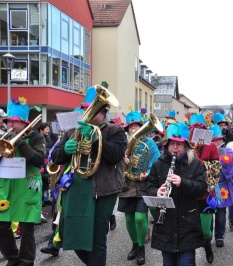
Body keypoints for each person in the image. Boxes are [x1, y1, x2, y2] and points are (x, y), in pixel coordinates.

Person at [51, 85, 127, 266]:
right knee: (75, 236)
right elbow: (55, 157)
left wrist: (95, 138)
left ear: (103, 113)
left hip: (104, 190)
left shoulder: (115, 131)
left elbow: (116, 155)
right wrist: (65, 151)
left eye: (92, 111)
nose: (87, 114)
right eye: (86, 110)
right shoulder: (71, 131)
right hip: (76, 189)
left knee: (97, 239)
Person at [147, 122, 207, 266]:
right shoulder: (158, 164)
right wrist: (157, 192)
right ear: (166, 145)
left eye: (179, 144)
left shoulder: (196, 164)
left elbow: (202, 188)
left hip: (188, 223)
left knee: (186, 263)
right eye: (172, 143)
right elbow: (149, 187)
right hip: (165, 224)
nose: (175, 147)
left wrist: (183, 182)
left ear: (186, 145)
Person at [0, 97, 46, 266]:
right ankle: (12, 257)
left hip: (27, 185)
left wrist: (19, 142)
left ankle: (26, 260)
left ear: (25, 123)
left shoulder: (36, 138)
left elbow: (38, 160)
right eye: (8, 122)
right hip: (7, 185)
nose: (10, 126)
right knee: (1, 225)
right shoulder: (3, 137)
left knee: (27, 228)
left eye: (15, 122)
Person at [118, 110, 160, 265]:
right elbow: (115, 161)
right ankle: (135, 245)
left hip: (143, 184)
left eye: (136, 126)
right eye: (131, 127)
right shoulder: (123, 143)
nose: (133, 129)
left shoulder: (150, 143)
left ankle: (141, 247)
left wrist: (147, 173)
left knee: (140, 218)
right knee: (129, 218)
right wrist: (123, 159)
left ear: (141, 127)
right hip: (127, 184)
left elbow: (156, 162)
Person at [188, 114, 220, 263]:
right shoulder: (186, 146)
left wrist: (197, 162)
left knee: (206, 231)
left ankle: (207, 245)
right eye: (194, 131)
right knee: (190, 231)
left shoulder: (212, 146)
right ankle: (191, 257)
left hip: (206, 194)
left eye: (200, 131)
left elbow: (215, 170)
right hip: (189, 195)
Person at [213, 113, 233, 231]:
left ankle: (232, 219)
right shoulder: (212, 139)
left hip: (232, 172)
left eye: (223, 125)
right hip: (217, 177)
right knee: (218, 202)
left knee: (232, 196)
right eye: (220, 125)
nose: (222, 127)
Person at [209, 125, 233, 248]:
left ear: (223, 140)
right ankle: (208, 234)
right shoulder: (205, 150)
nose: (217, 142)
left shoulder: (228, 151)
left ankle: (219, 236)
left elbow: (227, 161)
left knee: (220, 213)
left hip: (220, 187)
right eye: (214, 140)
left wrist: (214, 158)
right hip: (208, 186)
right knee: (208, 212)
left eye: (219, 139)